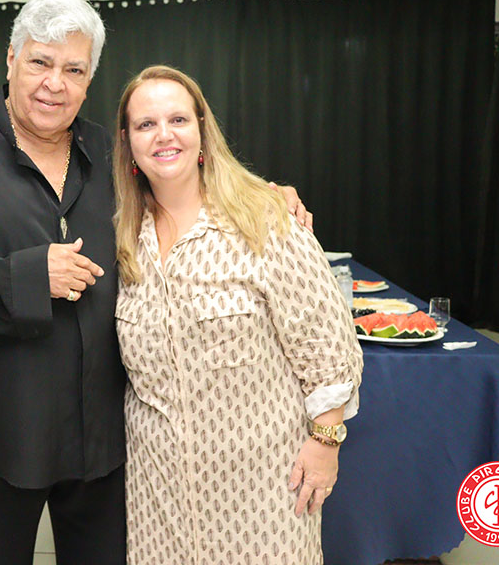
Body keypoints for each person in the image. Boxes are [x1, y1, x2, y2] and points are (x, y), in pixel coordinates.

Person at [0, 0, 311, 565]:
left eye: (73, 70)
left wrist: (266, 196)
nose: (54, 83)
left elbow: (186, 190)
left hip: (101, 447)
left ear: (89, 79)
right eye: (40, 63)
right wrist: (23, 277)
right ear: (10, 60)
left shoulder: (112, 155)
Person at [112, 65, 363, 565]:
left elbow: (327, 345)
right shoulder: (122, 238)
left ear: (202, 129)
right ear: (127, 142)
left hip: (263, 490)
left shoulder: (263, 219)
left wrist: (326, 443)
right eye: (146, 124)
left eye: (178, 120)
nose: (164, 135)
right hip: (158, 495)